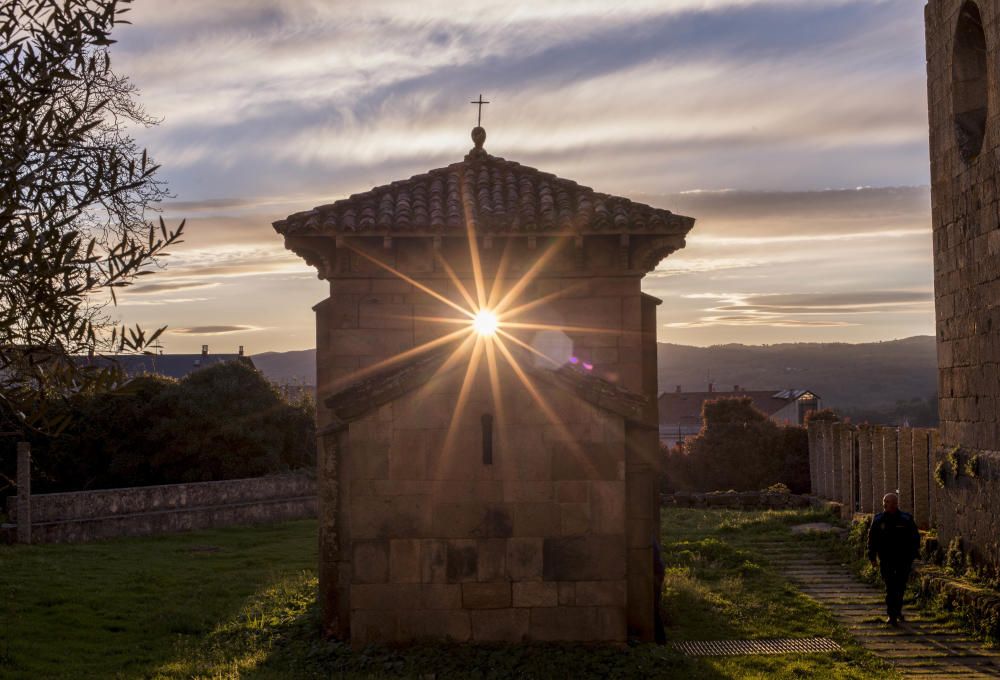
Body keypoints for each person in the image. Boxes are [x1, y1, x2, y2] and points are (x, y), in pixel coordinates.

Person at [866, 492, 920, 626]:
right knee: (890, 587)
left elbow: (915, 538)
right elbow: (872, 540)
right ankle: (892, 615)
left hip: (903, 559)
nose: (885, 504)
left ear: (896, 504)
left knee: (900, 587)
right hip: (886, 559)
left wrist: (912, 555)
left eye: (889, 502)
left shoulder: (906, 519)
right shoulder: (878, 520)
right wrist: (872, 557)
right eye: (884, 501)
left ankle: (898, 610)